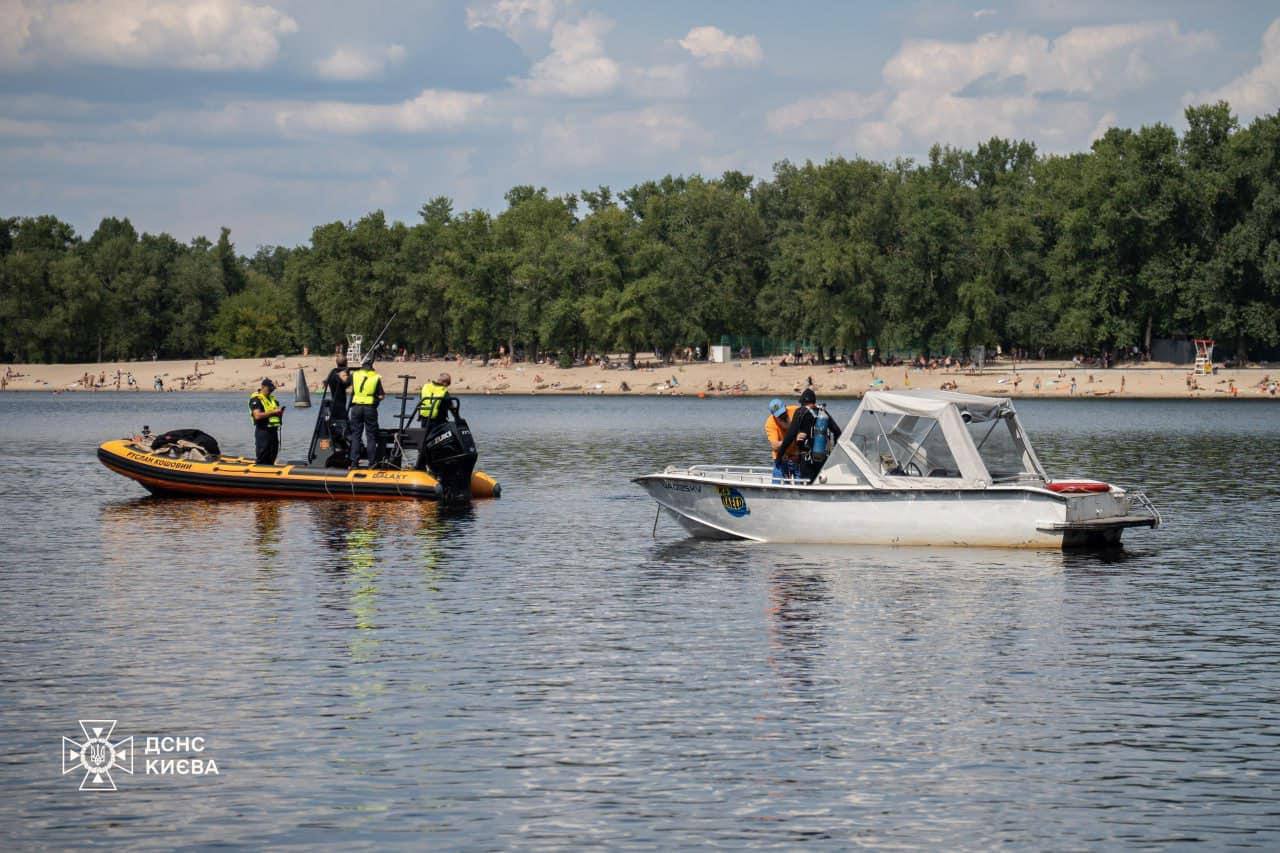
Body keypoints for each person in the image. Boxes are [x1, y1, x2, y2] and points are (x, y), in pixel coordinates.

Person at [776, 388, 843, 483]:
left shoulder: (800, 412)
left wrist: (779, 456)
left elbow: (790, 436)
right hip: (822, 457)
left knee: (806, 484)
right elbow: (837, 432)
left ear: (803, 402)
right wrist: (834, 454)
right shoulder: (823, 412)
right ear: (814, 401)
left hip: (806, 459)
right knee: (820, 484)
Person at [347, 356, 385, 467]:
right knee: (371, 436)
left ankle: (354, 462)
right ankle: (371, 462)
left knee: (356, 435)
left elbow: (346, 383)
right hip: (370, 408)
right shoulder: (375, 377)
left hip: (356, 407)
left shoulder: (355, 375)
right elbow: (381, 396)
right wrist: (376, 400)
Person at [249, 378, 284, 465]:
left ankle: (271, 469)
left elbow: (275, 414)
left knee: (273, 455)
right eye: (270, 388)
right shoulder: (256, 399)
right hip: (263, 431)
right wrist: (274, 412)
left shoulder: (273, 400)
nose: (271, 390)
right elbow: (257, 415)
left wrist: (279, 413)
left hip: (273, 432)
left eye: (273, 389)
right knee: (263, 456)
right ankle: (260, 469)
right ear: (263, 387)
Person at [765, 398, 801, 482]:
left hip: (798, 458)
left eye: (783, 413)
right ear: (773, 415)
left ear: (785, 407)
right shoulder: (770, 423)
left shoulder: (796, 411)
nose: (782, 416)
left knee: (802, 483)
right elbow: (775, 445)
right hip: (781, 458)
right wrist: (792, 438)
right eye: (779, 415)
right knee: (777, 484)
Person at [324, 354, 352, 420]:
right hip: (340, 405)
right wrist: (350, 377)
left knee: (335, 422)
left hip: (333, 403)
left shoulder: (333, 372)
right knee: (344, 422)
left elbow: (326, 382)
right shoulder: (339, 374)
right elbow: (345, 384)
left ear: (336, 363)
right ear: (346, 363)